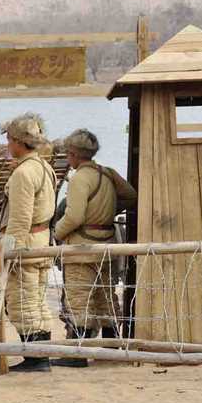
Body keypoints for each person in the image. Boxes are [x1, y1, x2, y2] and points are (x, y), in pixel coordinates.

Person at [52, 129, 137, 368]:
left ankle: (77, 354)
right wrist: (107, 212)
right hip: (107, 243)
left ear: (73, 154)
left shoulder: (80, 178)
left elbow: (74, 216)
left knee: (78, 298)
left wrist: (56, 233)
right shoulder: (107, 173)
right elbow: (131, 196)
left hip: (81, 247)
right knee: (105, 297)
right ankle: (110, 347)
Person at [0, 113, 57, 372]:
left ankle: (36, 357)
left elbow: (20, 218)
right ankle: (40, 354)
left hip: (27, 244)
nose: (8, 145)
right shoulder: (44, 166)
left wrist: (10, 251)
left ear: (19, 142)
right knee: (37, 300)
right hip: (41, 241)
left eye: (10, 140)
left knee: (22, 300)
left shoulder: (24, 173)